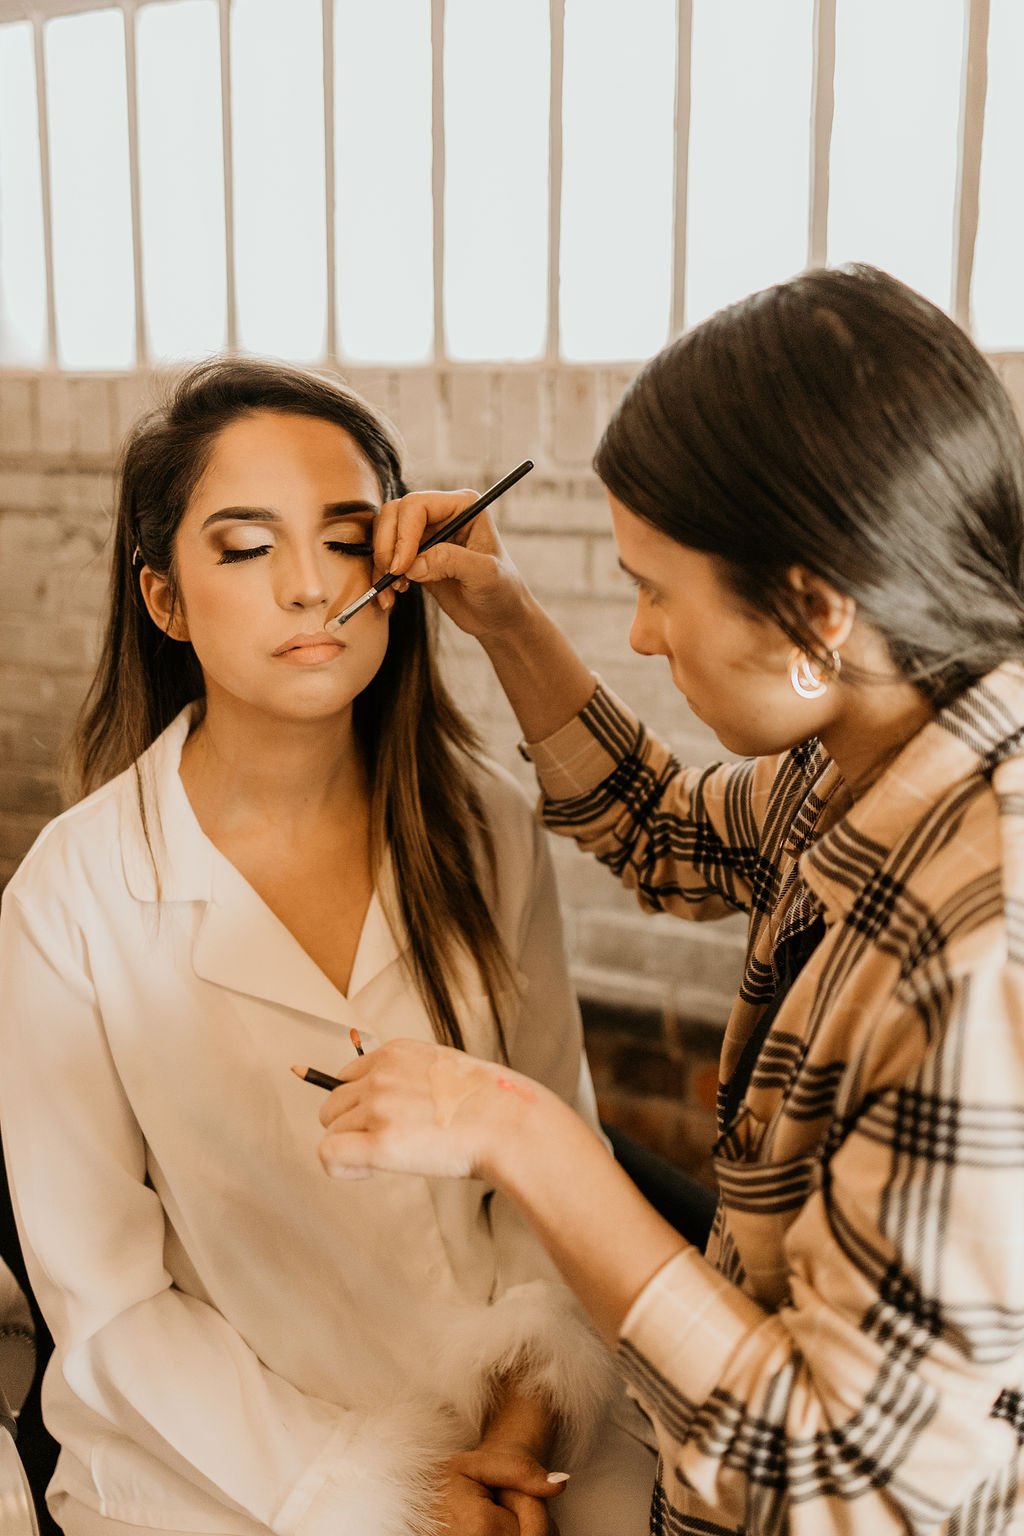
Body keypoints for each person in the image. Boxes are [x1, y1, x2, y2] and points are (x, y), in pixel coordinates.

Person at [312, 265, 1024, 1535]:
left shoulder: (981, 965)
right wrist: (505, 614)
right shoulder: (877, 735)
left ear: (812, 610)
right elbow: (668, 835)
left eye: (656, 590)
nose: (639, 636)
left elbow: (836, 1482)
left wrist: (524, 1135)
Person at [0, 358, 658, 1536]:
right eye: (247, 550)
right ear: (163, 601)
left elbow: (552, 1165)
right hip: (229, 1464)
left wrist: (515, 1433)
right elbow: (107, 1305)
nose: (309, 588)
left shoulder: (486, 826)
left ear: (402, 568)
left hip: (528, 1444)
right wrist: (391, 1495)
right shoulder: (74, 893)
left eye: (348, 539)